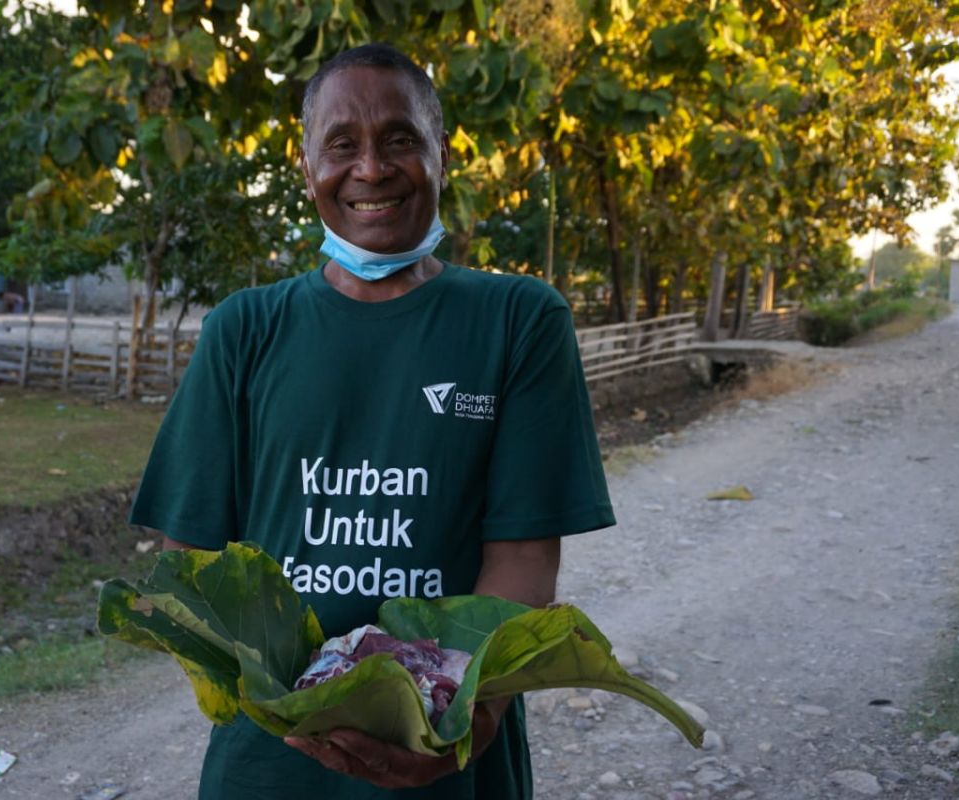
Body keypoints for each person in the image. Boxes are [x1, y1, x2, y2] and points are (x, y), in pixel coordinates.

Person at [129, 43, 615, 799]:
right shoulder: (244, 331)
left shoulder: (518, 320)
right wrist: (281, 697)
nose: (372, 168)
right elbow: (191, 561)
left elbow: (522, 562)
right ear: (305, 165)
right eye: (342, 145)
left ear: (440, 153)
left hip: (452, 749)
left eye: (399, 139)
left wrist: (466, 719)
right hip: (273, 765)